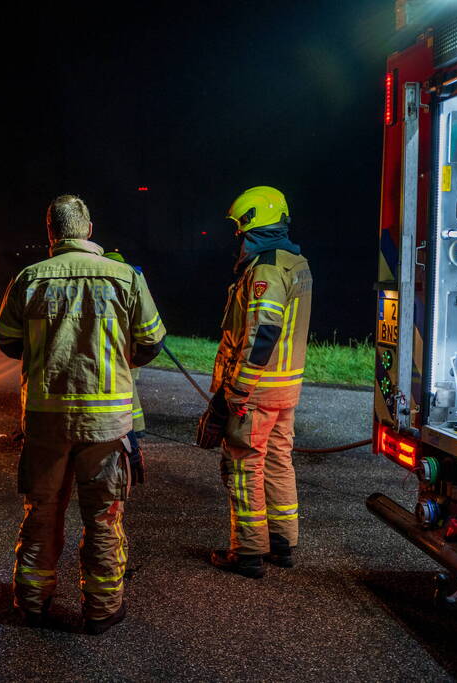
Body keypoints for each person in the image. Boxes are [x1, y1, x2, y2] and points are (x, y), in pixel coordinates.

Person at [0, 195, 166, 634]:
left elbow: (9, 342)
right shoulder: (125, 277)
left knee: (41, 513)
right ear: (88, 229)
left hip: (46, 422)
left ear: (52, 232)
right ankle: (102, 609)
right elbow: (151, 342)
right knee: (104, 517)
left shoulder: (29, 279)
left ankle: (32, 603)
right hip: (105, 424)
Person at [200, 186, 312, 578]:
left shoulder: (265, 269)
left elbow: (263, 333)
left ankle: (247, 552)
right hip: (286, 387)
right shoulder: (296, 262)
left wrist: (234, 392)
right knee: (279, 460)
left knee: (244, 464)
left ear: (252, 222)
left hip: (258, 389)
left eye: (239, 228)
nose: (236, 237)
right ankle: (281, 542)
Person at [103, 250, 147, 435]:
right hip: (131, 346)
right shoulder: (130, 279)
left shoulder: (112, 283)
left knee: (126, 387)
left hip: (125, 347)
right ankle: (133, 426)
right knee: (127, 386)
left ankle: (135, 428)